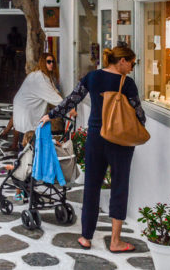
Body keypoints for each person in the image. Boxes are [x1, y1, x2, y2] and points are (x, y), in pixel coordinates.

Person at [39, 46, 146, 253]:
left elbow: (72, 99)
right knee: (119, 187)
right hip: (121, 141)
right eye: (131, 63)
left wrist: (51, 115)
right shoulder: (128, 83)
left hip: (97, 138)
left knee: (92, 186)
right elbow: (139, 114)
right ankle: (115, 241)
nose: (132, 67)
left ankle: (86, 236)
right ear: (122, 61)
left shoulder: (93, 77)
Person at [13, 53, 64, 146]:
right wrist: (68, 106)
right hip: (27, 110)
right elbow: (54, 96)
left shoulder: (40, 75)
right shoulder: (40, 78)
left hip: (24, 109)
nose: (51, 64)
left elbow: (54, 91)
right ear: (43, 63)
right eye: (48, 62)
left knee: (26, 137)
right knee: (29, 142)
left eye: (53, 62)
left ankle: (20, 151)